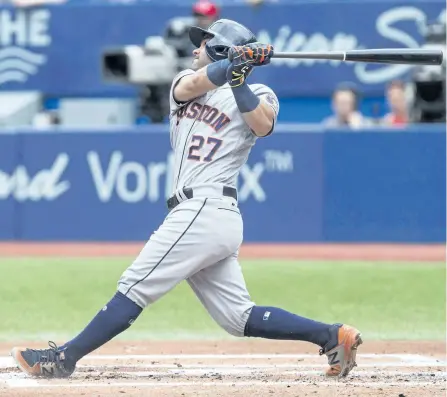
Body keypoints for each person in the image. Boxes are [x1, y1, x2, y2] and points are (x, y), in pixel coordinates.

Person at [11, 19, 362, 380]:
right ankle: (331, 336)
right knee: (237, 318)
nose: (196, 49)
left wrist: (240, 79)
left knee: (134, 285)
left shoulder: (260, 94)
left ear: (221, 48)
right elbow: (196, 82)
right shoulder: (184, 83)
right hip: (203, 216)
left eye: (205, 43)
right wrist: (231, 65)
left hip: (206, 209)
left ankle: (63, 358)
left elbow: (262, 124)